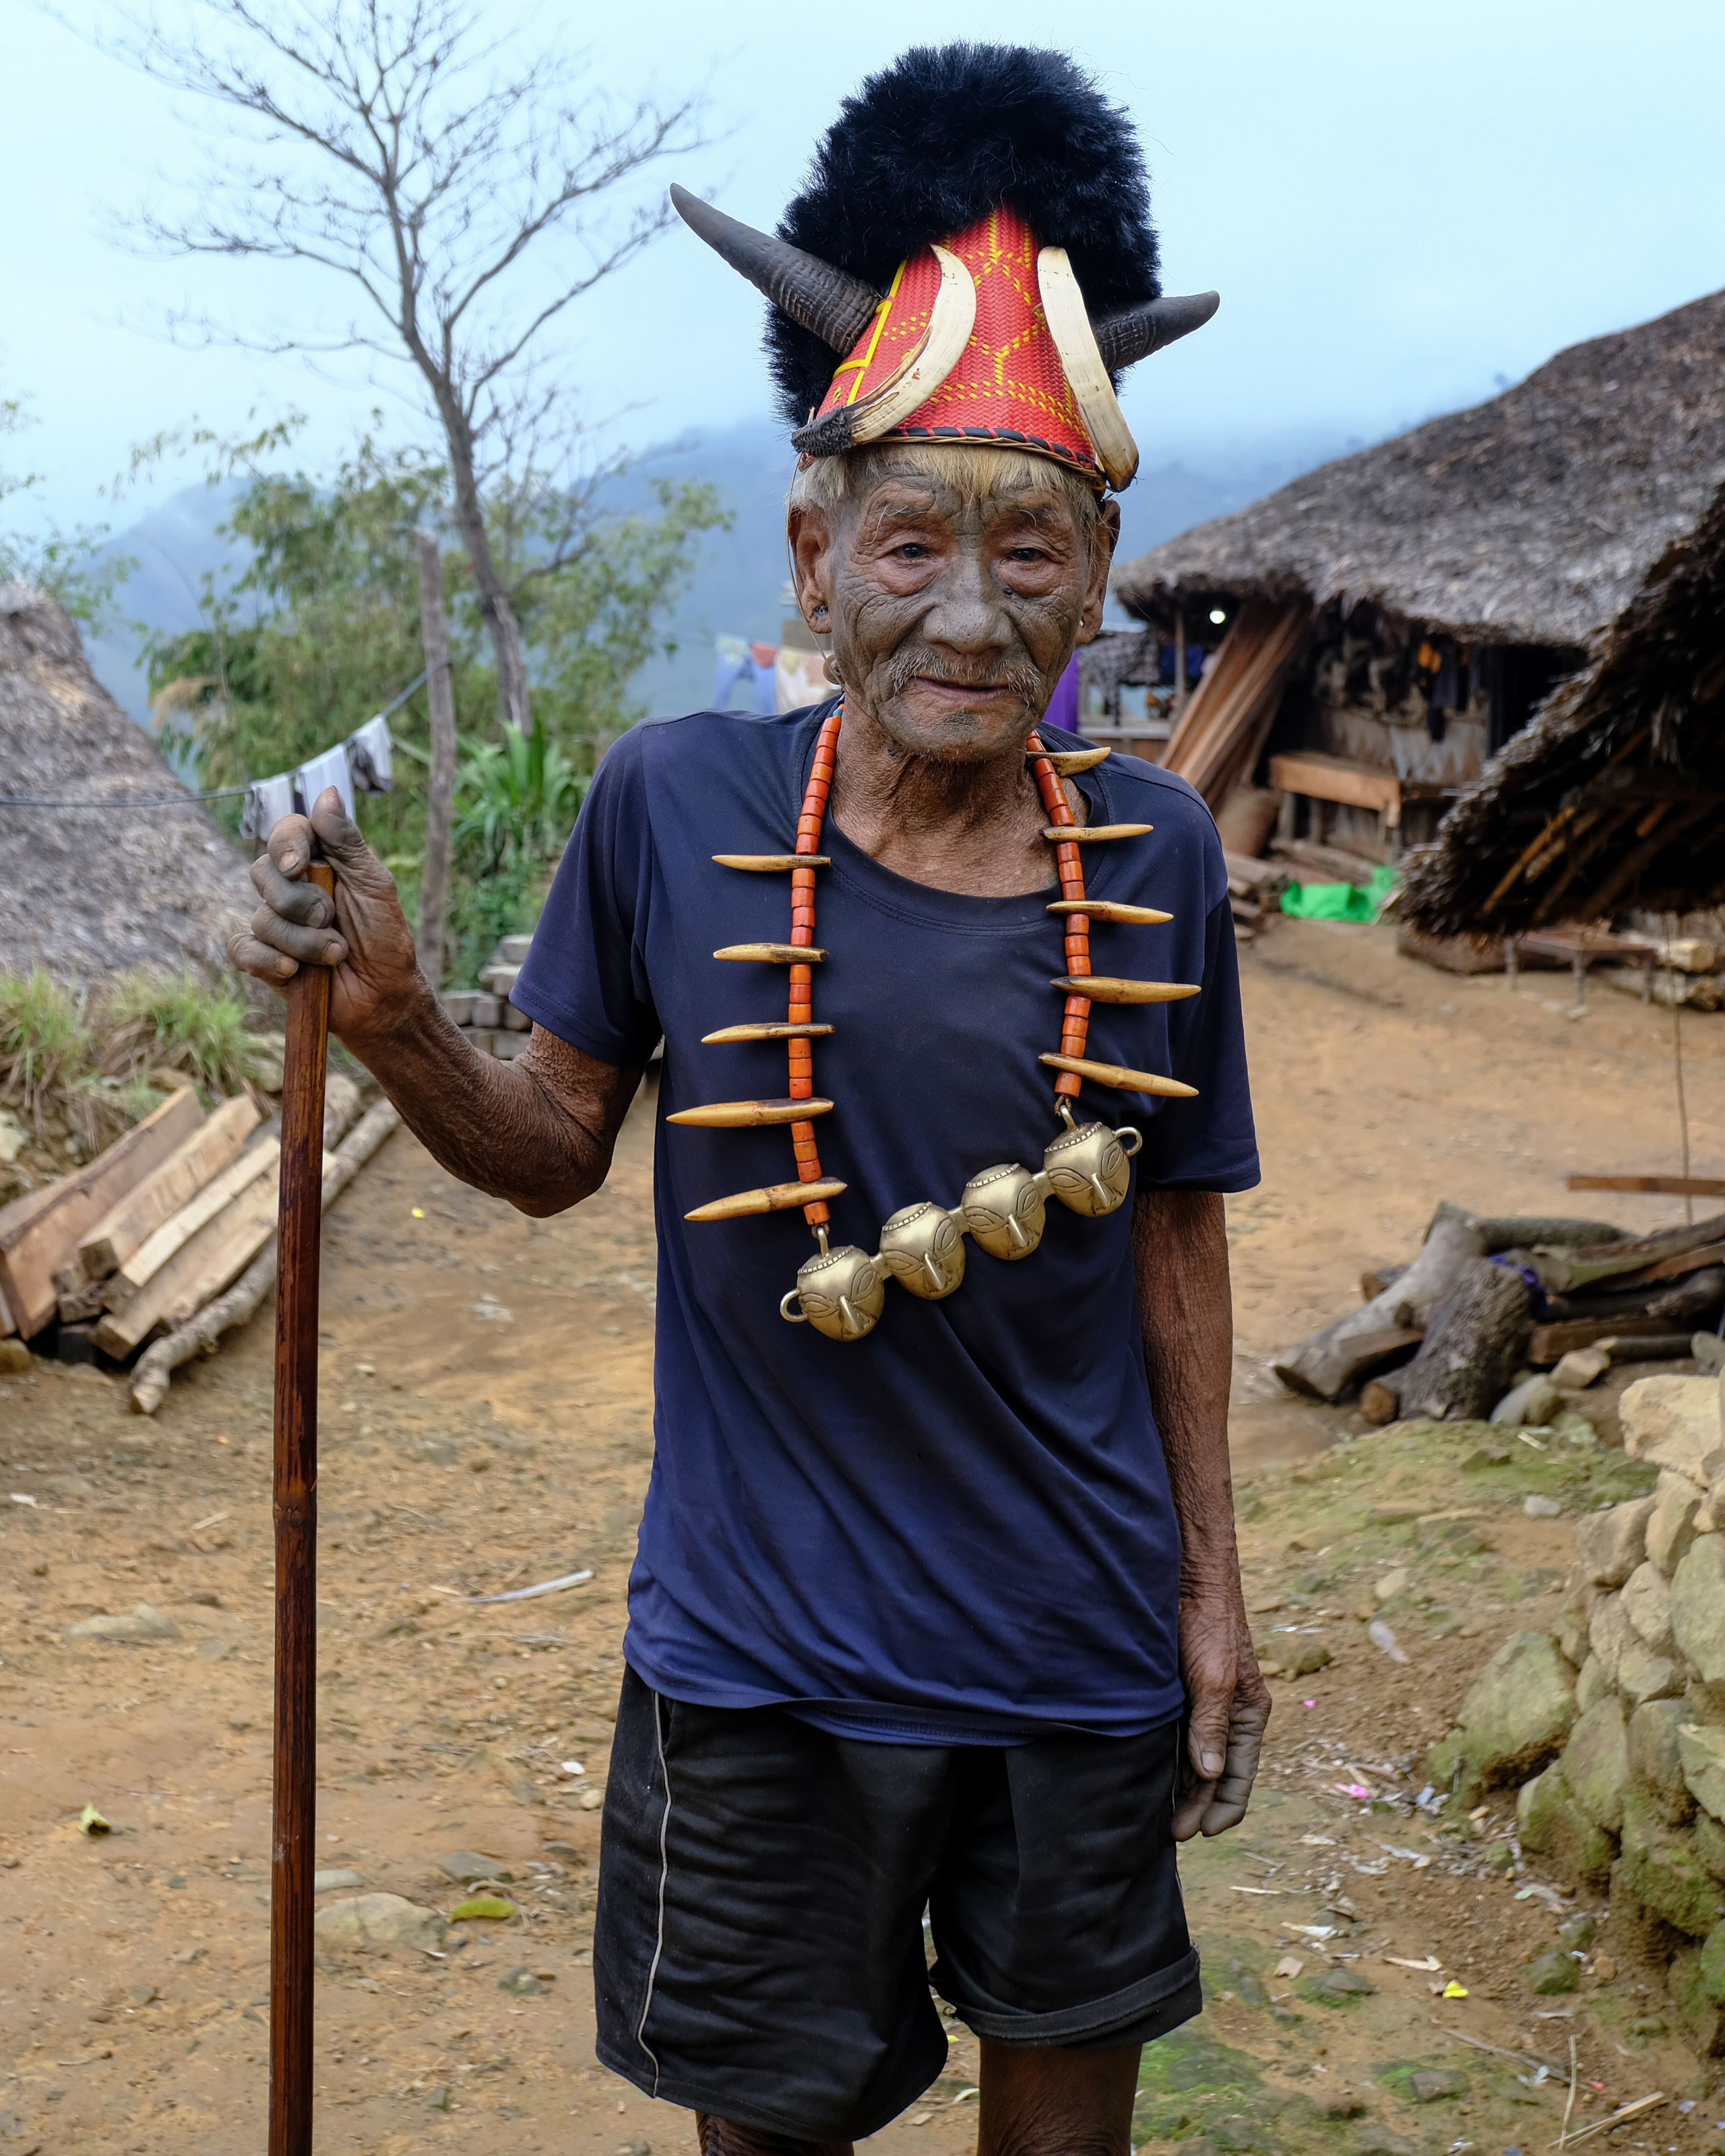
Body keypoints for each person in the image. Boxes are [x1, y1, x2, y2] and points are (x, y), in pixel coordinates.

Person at [232, 42, 1269, 2156]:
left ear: (1101, 570)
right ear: (812, 553)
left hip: (1075, 1649)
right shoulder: (669, 804)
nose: (973, 619)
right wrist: (403, 1020)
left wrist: (1214, 1594)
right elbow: (544, 1156)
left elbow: (1174, 1222)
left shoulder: (1154, 860)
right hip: (759, 1659)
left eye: (1033, 554)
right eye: (911, 548)